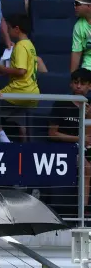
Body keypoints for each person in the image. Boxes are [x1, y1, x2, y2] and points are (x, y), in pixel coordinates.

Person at [48, 68, 91, 211]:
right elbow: (52, 134)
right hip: (64, 147)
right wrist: (78, 138)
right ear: (70, 84)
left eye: (82, 83)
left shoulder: (90, 107)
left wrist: (88, 116)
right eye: (75, 82)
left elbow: (88, 137)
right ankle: (83, 212)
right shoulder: (61, 104)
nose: (78, 86)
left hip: (84, 147)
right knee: (87, 168)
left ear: (89, 86)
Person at [0, 13, 43, 141]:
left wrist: (1, 69)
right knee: (18, 118)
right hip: (33, 92)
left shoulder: (20, 46)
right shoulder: (30, 45)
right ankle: (22, 135)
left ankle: (3, 140)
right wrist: (7, 71)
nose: (8, 31)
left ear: (17, 29)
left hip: (19, 91)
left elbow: (21, 71)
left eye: (9, 28)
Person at [72, 0, 91, 73]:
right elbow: (76, 53)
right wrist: (73, 76)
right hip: (88, 67)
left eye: (77, 4)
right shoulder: (78, 26)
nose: (74, 7)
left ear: (89, 6)